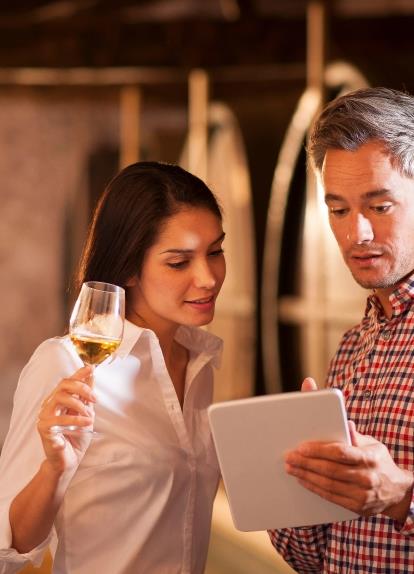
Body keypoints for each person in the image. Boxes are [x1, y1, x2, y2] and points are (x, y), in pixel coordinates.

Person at [0, 161, 226, 574]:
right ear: (127, 267)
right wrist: (55, 469)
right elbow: (11, 548)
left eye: (215, 252)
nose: (208, 277)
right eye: (179, 262)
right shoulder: (64, 363)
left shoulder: (201, 364)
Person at [269, 87, 414, 572]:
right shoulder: (352, 348)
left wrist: (401, 497)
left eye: (379, 206)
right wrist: (290, 484)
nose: (358, 234)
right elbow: (319, 560)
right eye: (338, 210)